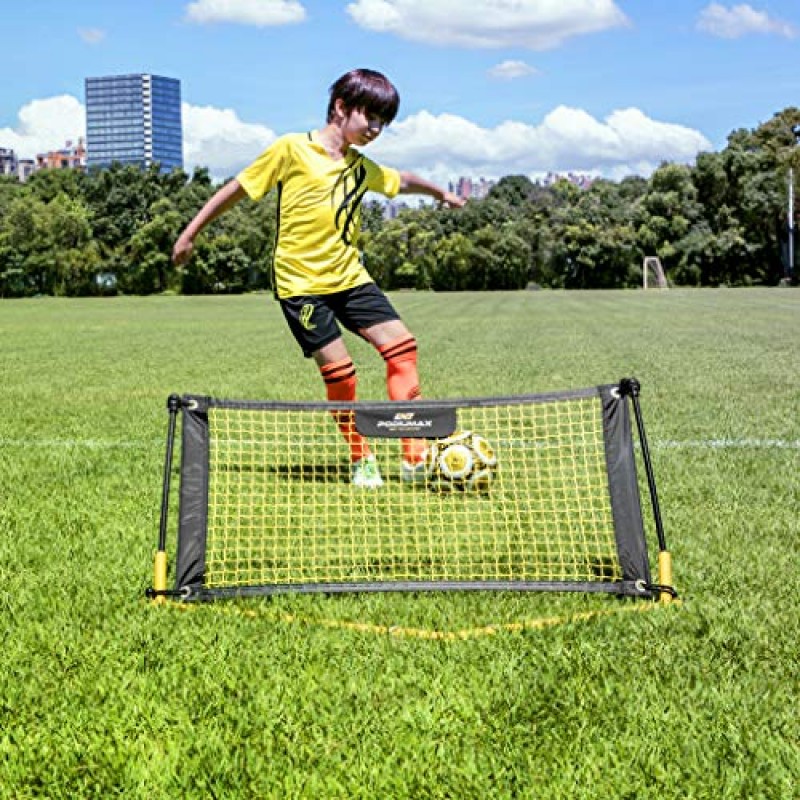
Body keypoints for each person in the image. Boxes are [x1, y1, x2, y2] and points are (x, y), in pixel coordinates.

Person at [172, 68, 465, 487]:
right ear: (342, 108)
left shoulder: (361, 168)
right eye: (372, 118)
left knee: (403, 350)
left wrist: (442, 194)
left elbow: (403, 181)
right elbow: (235, 189)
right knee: (343, 375)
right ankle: (361, 457)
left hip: (350, 278)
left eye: (385, 122)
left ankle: (413, 456)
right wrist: (189, 233)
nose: (377, 129)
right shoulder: (291, 149)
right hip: (302, 287)